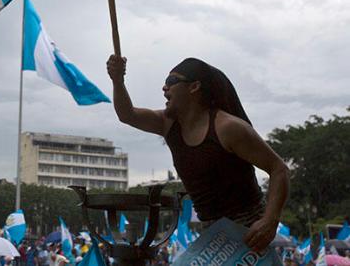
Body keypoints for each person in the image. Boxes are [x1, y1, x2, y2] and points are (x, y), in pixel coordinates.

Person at [107, 55, 290, 252]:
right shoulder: (168, 124)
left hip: (249, 232)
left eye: (171, 81)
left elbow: (279, 169)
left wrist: (269, 221)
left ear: (194, 87)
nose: (164, 88)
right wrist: (117, 80)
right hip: (211, 233)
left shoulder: (228, 128)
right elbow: (127, 114)